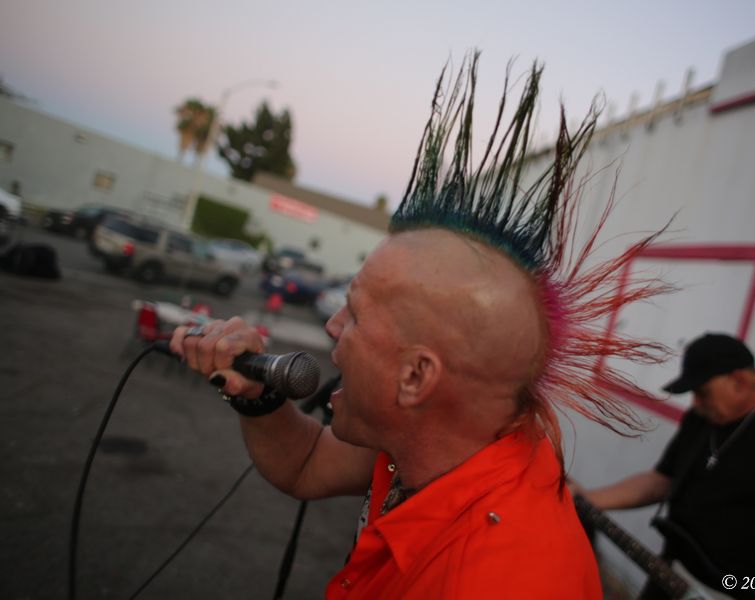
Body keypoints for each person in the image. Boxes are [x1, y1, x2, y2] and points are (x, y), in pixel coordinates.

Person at [171, 54, 667, 598]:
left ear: (415, 377)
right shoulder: (450, 439)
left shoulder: (492, 582)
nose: (333, 325)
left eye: (355, 312)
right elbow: (307, 464)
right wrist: (257, 398)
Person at [576, 333, 755, 600]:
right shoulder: (701, 419)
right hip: (673, 578)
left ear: (740, 381)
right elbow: (662, 480)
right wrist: (585, 499)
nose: (696, 402)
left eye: (703, 392)